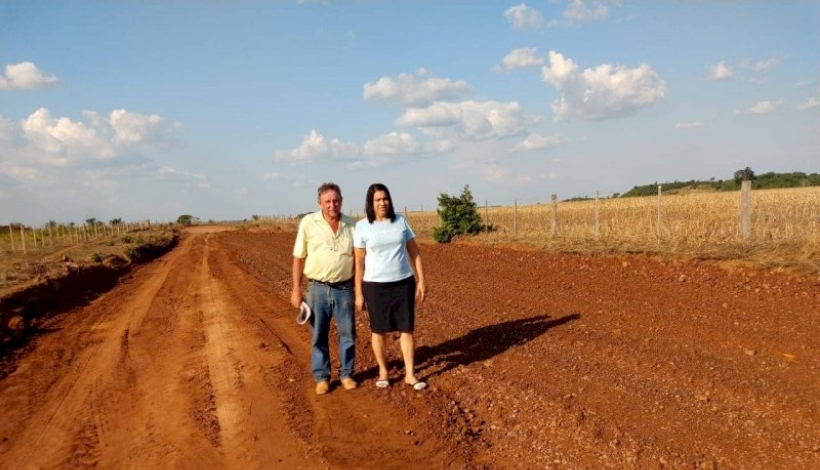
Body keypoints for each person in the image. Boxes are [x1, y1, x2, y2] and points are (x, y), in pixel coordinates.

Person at [353, 183, 428, 391]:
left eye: (385, 198)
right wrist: (358, 292)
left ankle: (410, 374)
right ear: (370, 203)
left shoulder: (401, 222)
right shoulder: (362, 227)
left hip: (403, 283)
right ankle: (383, 372)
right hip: (375, 286)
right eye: (377, 200)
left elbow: (414, 252)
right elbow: (358, 262)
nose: (382, 203)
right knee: (379, 330)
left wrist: (421, 280)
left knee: (406, 329)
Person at [292, 182, 358, 395]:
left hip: (344, 288)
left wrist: (360, 290)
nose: (332, 205)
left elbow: (359, 260)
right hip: (317, 289)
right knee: (318, 334)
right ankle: (322, 377)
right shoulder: (308, 223)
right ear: (319, 203)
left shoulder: (353, 225)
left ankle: (346, 374)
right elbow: (298, 257)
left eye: (336, 200)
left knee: (348, 333)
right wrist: (296, 289)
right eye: (327, 201)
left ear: (342, 201)